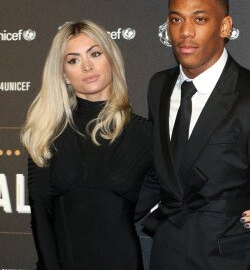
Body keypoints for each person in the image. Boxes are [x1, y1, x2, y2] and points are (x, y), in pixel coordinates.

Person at [137, 0, 250, 270]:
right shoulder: (158, 86)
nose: (185, 32)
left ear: (224, 26)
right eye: (175, 19)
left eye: (199, 19)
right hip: (166, 255)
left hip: (226, 260)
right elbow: (160, 174)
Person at [21, 20, 153, 270]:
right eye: (73, 60)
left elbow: (183, 190)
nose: (87, 66)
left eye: (95, 53)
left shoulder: (144, 133)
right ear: (63, 74)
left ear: (111, 59)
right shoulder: (47, 131)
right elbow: (40, 213)